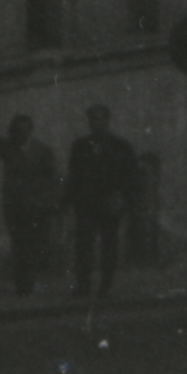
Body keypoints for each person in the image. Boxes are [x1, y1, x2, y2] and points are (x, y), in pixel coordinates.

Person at [0, 115, 63, 296]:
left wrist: (50, 200)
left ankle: (31, 280)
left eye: (23, 130)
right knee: (19, 242)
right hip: (14, 204)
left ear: (30, 130)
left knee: (35, 242)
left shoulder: (42, 150)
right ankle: (24, 284)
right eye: (16, 130)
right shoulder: (8, 147)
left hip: (36, 204)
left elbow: (52, 177)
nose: (19, 134)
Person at [66, 105, 136, 297]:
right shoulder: (80, 146)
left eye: (101, 119)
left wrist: (122, 199)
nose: (97, 123)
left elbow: (130, 176)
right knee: (83, 245)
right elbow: (74, 176)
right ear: (89, 122)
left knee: (109, 245)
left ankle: (106, 285)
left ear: (108, 121)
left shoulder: (121, 146)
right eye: (93, 119)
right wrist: (71, 202)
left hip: (110, 202)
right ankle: (83, 285)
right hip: (86, 203)